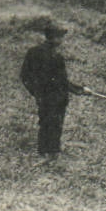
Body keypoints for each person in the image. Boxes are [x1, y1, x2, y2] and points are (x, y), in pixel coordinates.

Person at [19, 22, 87, 155]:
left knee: (46, 124)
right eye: (60, 37)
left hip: (44, 97)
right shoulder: (56, 57)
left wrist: (36, 92)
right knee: (54, 125)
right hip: (56, 97)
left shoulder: (33, 52)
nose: (61, 40)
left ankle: (45, 153)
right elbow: (63, 82)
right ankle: (51, 154)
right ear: (54, 38)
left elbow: (24, 76)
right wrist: (80, 90)